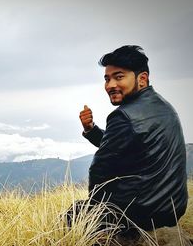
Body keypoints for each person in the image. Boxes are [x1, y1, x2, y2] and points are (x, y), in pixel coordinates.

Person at [72, 45, 188, 235]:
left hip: (140, 215)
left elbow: (100, 170)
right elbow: (122, 147)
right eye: (107, 79)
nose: (110, 85)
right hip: (171, 211)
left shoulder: (123, 116)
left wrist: (95, 214)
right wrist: (91, 130)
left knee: (71, 216)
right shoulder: (165, 107)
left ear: (142, 79)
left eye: (119, 77)